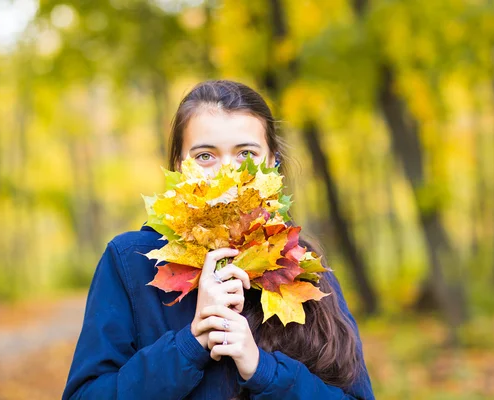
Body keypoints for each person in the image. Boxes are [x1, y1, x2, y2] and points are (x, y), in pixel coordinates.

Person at [62, 80, 375, 399]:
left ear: (272, 164)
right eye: (205, 156)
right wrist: (189, 345)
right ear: (179, 168)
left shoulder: (299, 266)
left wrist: (264, 371)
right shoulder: (131, 261)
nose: (227, 174)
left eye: (246, 154)